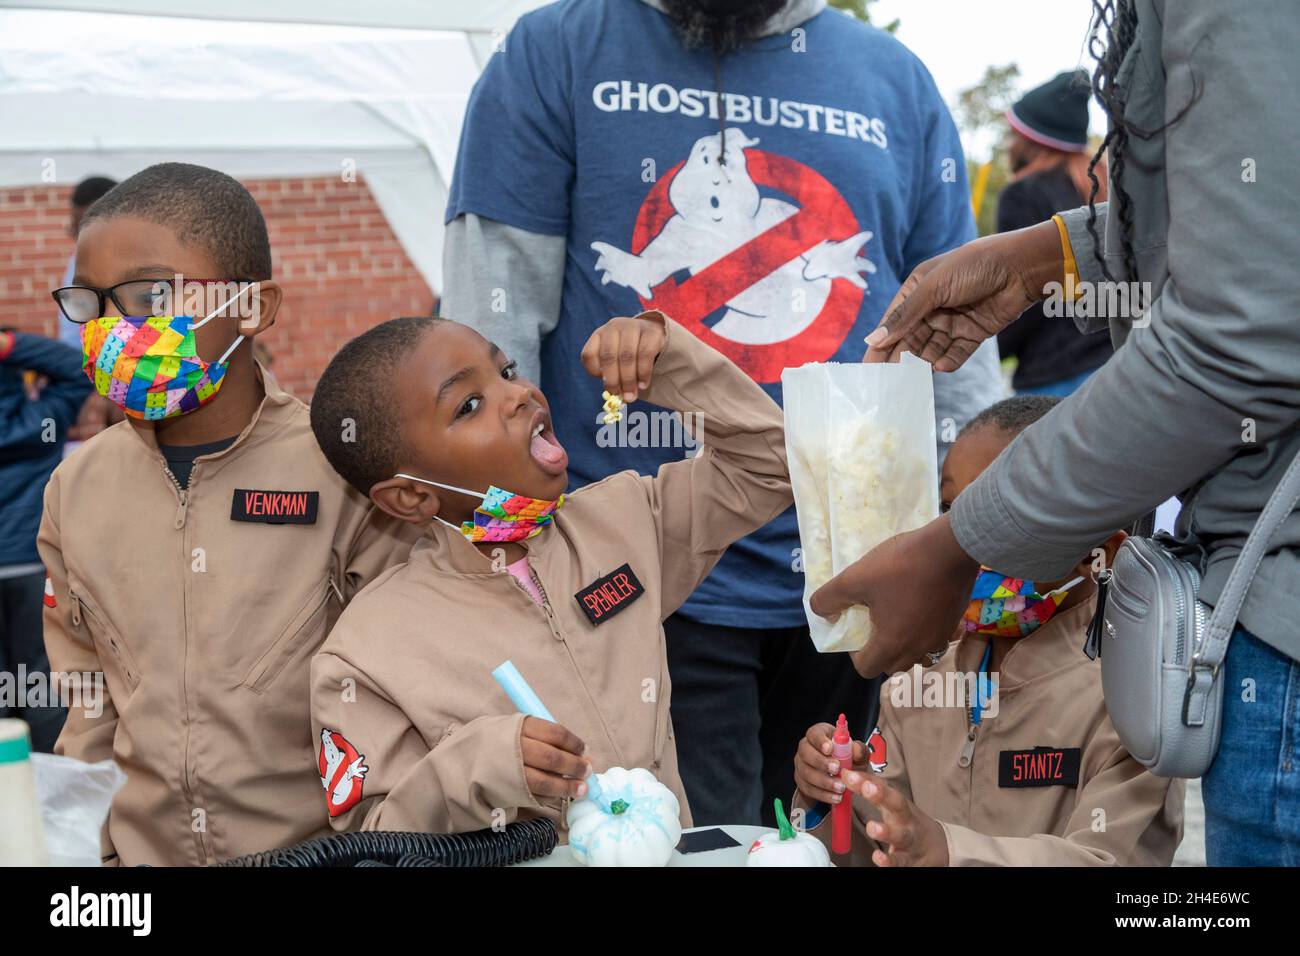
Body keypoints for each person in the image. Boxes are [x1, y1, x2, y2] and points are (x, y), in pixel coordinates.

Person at [441, 0, 1003, 828]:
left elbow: (961, 351)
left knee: (841, 841)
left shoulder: (896, 81)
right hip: (647, 578)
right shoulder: (557, 50)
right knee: (694, 844)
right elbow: (491, 325)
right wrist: (514, 558)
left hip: (868, 577)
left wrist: (970, 539)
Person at [812, 0, 1300, 866]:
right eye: (950, 502)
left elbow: (1248, 329)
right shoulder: (927, 682)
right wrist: (1053, 255)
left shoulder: (1109, 692)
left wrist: (956, 546)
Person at [38, 162, 417, 866]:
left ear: (254, 307)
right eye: (90, 302)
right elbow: (88, 702)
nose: (115, 329)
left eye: (152, 295)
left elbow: (407, 695)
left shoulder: (343, 471)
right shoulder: (77, 488)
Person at [307, 309, 790, 834]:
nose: (518, 395)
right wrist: (475, 766)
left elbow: (770, 466)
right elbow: (371, 841)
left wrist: (670, 363)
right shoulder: (365, 653)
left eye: (507, 371)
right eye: (469, 405)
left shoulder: (625, 521)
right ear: (409, 496)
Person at [793, 396, 1184, 866]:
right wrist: (838, 794)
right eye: (949, 511)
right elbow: (874, 851)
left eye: (996, 519)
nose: (959, 545)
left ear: (1095, 551)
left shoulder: (1132, 698)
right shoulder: (917, 681)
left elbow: (1109, 861)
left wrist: (950, 852)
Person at [0, 329, 91, 751]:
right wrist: (12, 346)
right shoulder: (42, 423)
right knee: (38, 682)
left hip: (24, 566)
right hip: (31, 568)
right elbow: (78, 369)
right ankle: (49, 793)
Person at [995, 71, 1112, 396]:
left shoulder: (1023, 194)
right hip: (1115, 367)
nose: (1008, 143)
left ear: (1030, 141)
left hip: (1053, 377)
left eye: (1012, 134)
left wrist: (990, 351)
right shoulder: (1103, 189)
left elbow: (1021, 293)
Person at [57, 176, 123, 445]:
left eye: (81, 225)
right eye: (73, 226)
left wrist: (102, 390)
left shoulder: (130, 267)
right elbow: (74, 335)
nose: (73, 233)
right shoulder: (79, 261)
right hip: (80, 372)